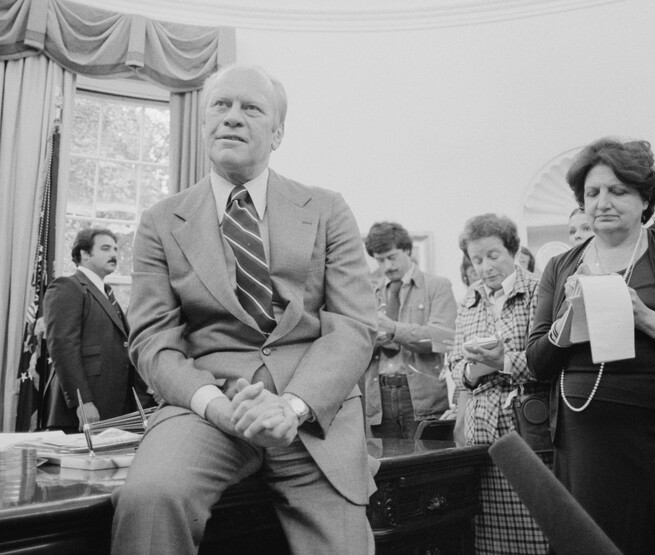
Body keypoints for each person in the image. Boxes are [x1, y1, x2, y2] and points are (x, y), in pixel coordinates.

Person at [110, 65, 377, 554]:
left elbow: (353, 327)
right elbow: (151, 341)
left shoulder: (326, 208)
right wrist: (216, 405)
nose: (233, 117)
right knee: (151, 498)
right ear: (204, 122)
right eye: (221, 105)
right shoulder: (160, 222)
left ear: (277, 133)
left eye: (251, 108)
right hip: (208, 410)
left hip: (313, 412)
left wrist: (292, 407)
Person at [526, 137, 655, 554]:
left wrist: (651, 321)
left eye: (618, 190)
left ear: (645, 199)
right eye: (593, 192)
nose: (603, 202)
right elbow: (535, 362)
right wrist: (565, 328)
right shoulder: (560, 265)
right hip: (584, 445)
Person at [447, 213, 548, 554]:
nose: (485, 267)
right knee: (489, 534)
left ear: (513, 251)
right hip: (481, 431)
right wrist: (473, 371)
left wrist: (502, 362)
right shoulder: (471, 298)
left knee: (535, 528)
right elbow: (455, 364)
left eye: (493, 255)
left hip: (526, 425)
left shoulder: (538, 290)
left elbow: (547, 359)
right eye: (476, 260)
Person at [363, 222, 457, 439]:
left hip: (423, 397)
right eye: (379, 259)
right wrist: (373, 338)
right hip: (379, 399)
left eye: (392, 257)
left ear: (407, 250)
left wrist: (394, 329)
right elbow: (354, 344)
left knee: (427, 466)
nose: (387, 266)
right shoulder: (367, 291)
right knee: (385, 468)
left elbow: (443, 339)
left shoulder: (437, 286)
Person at [43, 228, 139, 431]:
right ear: (84, 254)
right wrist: (82, 401)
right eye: (105, 248)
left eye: (115, 249)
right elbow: (63, 347)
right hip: (82, 410)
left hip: (115, 407)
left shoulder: (107, 293)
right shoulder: (67, 287)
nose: (114, 254)